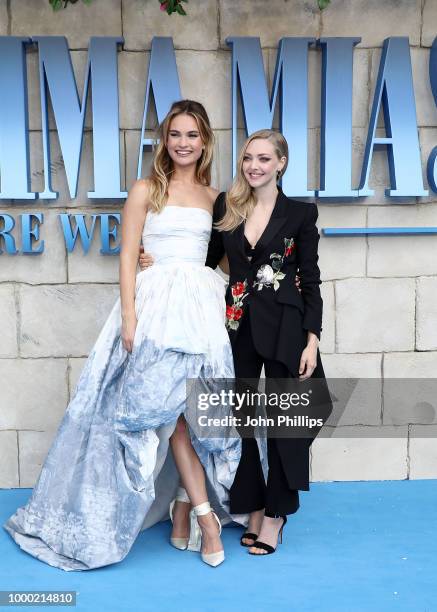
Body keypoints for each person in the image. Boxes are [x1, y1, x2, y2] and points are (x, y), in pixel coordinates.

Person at [3, 100, 242, 571]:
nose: (183, 143)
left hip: (201, 310)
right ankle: (204, 517)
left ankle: (180, 510)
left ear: (205, 141)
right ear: (164, 140)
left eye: (192, 135)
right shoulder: (144, 190)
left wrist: (223, 294)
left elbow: (226, 260)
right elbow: (128, 256)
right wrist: (130, 316)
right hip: (154, 310)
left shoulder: (218, 197)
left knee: (194, 411)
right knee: (166, 412)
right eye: (175, 134)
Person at [140, 128, 332, 557]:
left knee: (286, 426)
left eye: (264, 159)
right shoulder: (228, 206)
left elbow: (312, 280)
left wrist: (312, 339)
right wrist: (152, 258)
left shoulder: (301, 214)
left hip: (286, 328)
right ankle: (254, 505)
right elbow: (203, 257)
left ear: (281, 163)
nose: (254, 166)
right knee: (244, 423)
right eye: (248, 158)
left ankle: (278, 515)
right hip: (234, 326)